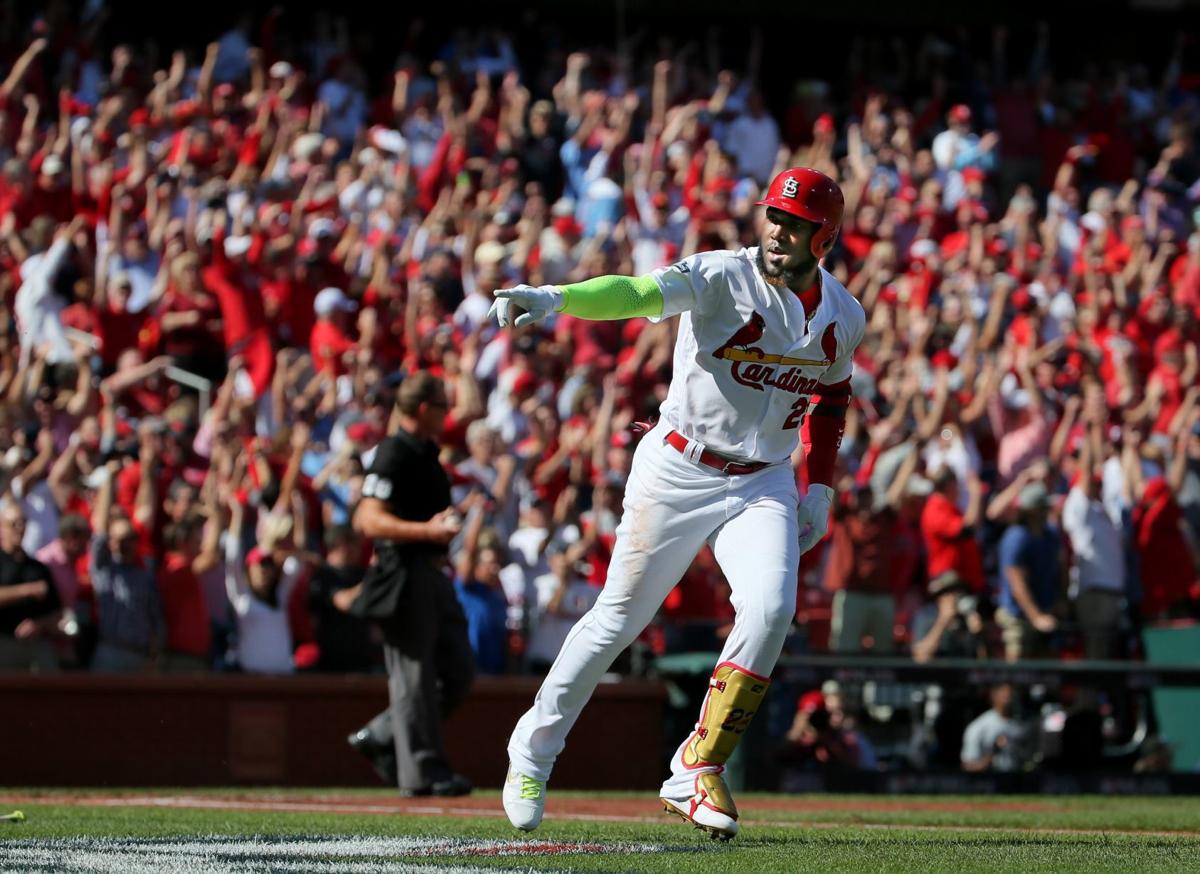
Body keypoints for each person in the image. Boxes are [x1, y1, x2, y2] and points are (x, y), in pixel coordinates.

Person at [491, 168, 864, 839]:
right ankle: (533, 752)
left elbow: (832, 398)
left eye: (796, 223)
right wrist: (555, 299)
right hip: (679, 466)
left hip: (765, 478)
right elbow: (636, 293)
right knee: (617, 620)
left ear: (825, 235)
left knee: (773, 608)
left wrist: (822, 485)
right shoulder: (722, 274)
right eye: (774, 217)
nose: (778, 232)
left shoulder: (845, 314)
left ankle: (696, 766)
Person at [349, 371, 475, 797]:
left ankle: (383, 734)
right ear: (423, 409)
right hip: (402, 573)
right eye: (442, 405)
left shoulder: (425, 451)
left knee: (458, 671)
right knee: (414, 678)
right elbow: (366, 518)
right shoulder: (393, 452)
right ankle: (423, 773)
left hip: (433, 573)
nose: (448, 413)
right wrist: (427, 531)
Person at [995, 482, 1063, 661]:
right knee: (1015, 672)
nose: (1046, 511)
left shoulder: (1050, 535)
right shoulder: (1016, 537)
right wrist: (1036, 617)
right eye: (1042, 508)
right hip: (1017, 616)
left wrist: (1058, 603)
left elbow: (1059, 570)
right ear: (1032, 511)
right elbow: (1017, 583)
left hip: (1046, 612)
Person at [0, 501, 60, 670]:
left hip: (34, 645)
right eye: (13, 524)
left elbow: (57, 612)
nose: (20, 528)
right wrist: (26, 591)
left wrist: (39, 625)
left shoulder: (38, 568)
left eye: (23, 522)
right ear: (1, 528)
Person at [960, 684, 1028, 773]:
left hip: (1017, 782)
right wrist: (992, 755)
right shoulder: (978, 727)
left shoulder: (1021, 725)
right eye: (1005, 696)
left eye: (1011, 696)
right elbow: (967, 766)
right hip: (988, 781)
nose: (1009, 700)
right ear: (994, 695)